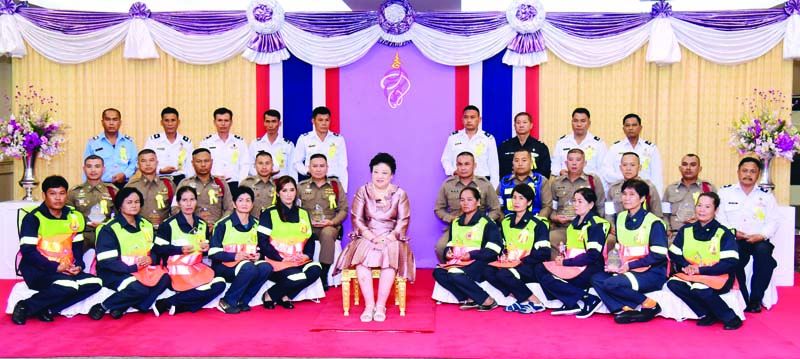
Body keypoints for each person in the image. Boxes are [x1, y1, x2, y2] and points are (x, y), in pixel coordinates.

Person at [335, 153, 416, 322]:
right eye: (376, 172)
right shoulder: (362, 191)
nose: (379, 176)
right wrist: (372, 238)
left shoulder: (400, 194)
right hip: (367, 234)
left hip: (391, 236)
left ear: (392, 175)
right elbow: (356, 218)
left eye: (384, 172)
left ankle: (380, 305)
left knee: (389, 257)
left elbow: (403, 222)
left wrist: (386, 239)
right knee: (362, 260)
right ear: (371, 173)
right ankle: (369, 305)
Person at [12, 176, 103, 325]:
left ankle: (49, 309)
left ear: (66, 195)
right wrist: (55, 267)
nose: (58, 198)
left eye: (61, 193)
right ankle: (24, 307)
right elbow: (28, 252)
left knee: (95, 282)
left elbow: (77, 247)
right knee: (68, 286)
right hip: (38, 270)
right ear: (44, 195)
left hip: (65, 268)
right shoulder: (33, 218)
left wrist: (78, 264)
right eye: (53, 194)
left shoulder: (74, 216)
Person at [591, 179, 669, 324]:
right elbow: (620, 248)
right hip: (628, 269)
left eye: (632, 194)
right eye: (624, 194)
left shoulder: (654, 222)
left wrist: (630, 266)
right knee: (596, 278)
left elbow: (659, 254)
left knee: (610, 284)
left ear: (643, 198)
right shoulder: (619, 218)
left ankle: (650, 305)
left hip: (651, 272)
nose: (626, 198)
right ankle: (624, 308)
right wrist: (615, 264)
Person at [89, 188, 170, 320]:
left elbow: (155, 250)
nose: (134, 205)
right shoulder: (109, 229)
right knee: (140, 289)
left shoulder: (146, 225)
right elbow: (106, 261)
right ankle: (102, 306)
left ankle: (132, 305)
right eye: (129, 202)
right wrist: (133, 268)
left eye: (137, 202)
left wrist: (151, 259)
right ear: (120, 205)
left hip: (141, 268)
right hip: (116, 272)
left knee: (165, 278)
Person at [667, 192, 742, 330]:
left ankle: (731, 317)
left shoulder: (723, 233)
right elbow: (674, 253)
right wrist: (686, 265)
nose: (702, 210)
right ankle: (707, 313)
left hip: (718, 275)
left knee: (699, 288)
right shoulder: (686, 230)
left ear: (716, 210)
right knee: (673, 284)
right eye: (699, 205)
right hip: (693, 273)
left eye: (707, 206)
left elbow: (730, 262)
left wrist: (700, 270)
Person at [152, 186, 226, 316]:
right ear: (179, 203)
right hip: (176, 271)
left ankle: (171, 303)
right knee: (206, 288)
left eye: (192, 199)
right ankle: (174, 303)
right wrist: (179, 249)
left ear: (196, 202)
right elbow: (157, 249)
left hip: (196, 268)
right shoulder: (168, 224)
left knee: (220, 284)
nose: (188, 203)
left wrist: (206, 249)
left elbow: (206, 250)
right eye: (184, 200)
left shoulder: (202, 225)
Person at [536, 188, 609, 318]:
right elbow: (572, 250)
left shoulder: (595, 225)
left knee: (550, 278)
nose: (575, 204)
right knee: (539, 269)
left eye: (580, 201)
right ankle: (573, 301)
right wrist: (563, 257)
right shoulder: (572, 225)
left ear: (591, 204)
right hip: (573, 265)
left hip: (591, 267)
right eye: (574, 201)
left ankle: (588, 299)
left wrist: (566, 262)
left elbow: (592, 256)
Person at [717, 157, 778, 313]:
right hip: (734, 238)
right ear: (738, 172)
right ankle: (743, 297)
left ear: (758, 174)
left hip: (758, 239)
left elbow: (773, 221)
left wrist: (762, 235)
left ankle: (755, 299)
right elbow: (719, 218)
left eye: (753, 171)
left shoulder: (766, 196)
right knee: (734, 259)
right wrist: (733, 232)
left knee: (765, 257)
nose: (748, 174)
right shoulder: (725, 192)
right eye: (745, 170)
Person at [433, 187, 503, 311]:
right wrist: (447, 252)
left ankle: (488, 300)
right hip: (459, 261)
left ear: (478, 202)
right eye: (462, 200)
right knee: (438, 272)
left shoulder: (487, 223)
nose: (465, 203)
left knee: (455, 274)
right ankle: (468, 298)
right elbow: (451, 243)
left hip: (480, 262)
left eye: (469, 200)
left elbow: (494, 250)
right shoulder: (456, 222)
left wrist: (472, 255)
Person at [484, 184, 550, 314]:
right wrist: (501, 256)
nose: (516, 202)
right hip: (509, 263)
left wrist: (521, 261)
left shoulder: (539, 223)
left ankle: (536, 302)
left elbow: (544, 252)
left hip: (529, 265)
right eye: (514, 198)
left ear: (529, 202)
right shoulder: (506, 222)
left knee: (504, 274)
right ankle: (522, 300)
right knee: (487, 271)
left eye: (521, 198)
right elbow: (502, 245)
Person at [258, 176, 322, 310]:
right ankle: (269, 295)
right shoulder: (268, 214)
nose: (288, 194)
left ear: (296, 192)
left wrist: (307, 256)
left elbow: (310, 239)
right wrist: (282, 258)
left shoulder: (303, 213)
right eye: (284, 190)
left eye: (292, 190)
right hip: (278, 261)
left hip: (299, 260)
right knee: (297, 277)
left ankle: (284, 295)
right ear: (278, 193)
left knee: (315, 269)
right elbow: (263, 243)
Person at [209, 187, 272, 314]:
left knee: (266, 267)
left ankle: (243, 300)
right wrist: (235, 256)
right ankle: (227, 301)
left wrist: (258, 256)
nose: (244, 203)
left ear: (252, 204)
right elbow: (213, 253)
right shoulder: (222, 225)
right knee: (249, 267)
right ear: (234, 204)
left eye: (248, 200)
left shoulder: (256, 224)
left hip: (247, 265)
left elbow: (263, 248)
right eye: (241, 200)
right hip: (224, 266)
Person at [434, 152, 502, 263]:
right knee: (441, 247)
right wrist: (451, 219)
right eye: (459, 164)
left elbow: (496, 208)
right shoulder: (447, 184)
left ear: (474, 165)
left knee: (486, 248)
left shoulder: (485, 184)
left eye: (467, 164)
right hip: (457, 228)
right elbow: (438, 209)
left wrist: (484, 222)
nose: (463, 168)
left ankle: (479, 275)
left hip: (480, 228)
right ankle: (450, 271)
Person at [540, 148, 605, 259]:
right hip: (563, 227)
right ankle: (557, 271)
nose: (574, 163)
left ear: (584, 163)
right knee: (550, 238)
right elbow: (552, 209)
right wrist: (556, 218)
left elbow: (600, 206)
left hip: (586, 228)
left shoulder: (593, 180)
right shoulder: (556, 182)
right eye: (570, 160)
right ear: (566, 163)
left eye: (578, 160)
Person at [298, 154, 348, 289]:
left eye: (322, 166)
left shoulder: (335, 185)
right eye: (314, 166)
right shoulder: (301, 186)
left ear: (327, 168)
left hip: (329, 225)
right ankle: (297, 270)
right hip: (307, 225)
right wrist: (306, 222)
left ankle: (323, 273)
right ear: (309, 168)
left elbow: (343, 209)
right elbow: (295, 209)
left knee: (326, 234)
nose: (318, 169)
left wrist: (331, 222)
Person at [603, 114, 664, 195]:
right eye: (627, 125)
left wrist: (657, 197)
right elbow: (607, 173)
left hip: (645, 192)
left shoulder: (651, 148)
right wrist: (626, 178)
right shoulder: (615, 148)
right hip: (621, 192)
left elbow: (657, 177)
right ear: (623, 129)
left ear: (640, 128)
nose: (631, 128)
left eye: (634, 125)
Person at [441, 105, 500, 188]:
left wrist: (493, 189)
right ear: (462, 119)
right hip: (458, 182)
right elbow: (445, 159)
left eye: (472, 117)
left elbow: (494, 166)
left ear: (479, 120)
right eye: (466, 117)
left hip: (481, 182)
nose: (469, 120)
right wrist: (453, 171)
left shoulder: (488, 139)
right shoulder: (453, 138)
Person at [292, 106, 349, 190]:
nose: (324, 123)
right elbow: (296, 162)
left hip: (332, 182)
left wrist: (343, 190)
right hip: (311, 182)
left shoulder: (338, 139)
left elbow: (343, 166)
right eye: (320, 120)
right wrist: (307, 171)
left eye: (327, 120)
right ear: (313, 121)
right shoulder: (304, 139)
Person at [176, 148, 234, 230]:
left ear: (212, 162)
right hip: (192, 229)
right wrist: (190, 223)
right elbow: (175, 208)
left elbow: (229, 208)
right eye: (199, 161)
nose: (203, 164)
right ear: (192, 163)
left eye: (206, 161)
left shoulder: (221, 183)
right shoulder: (184, 183)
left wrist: (218, 225)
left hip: (218, 230)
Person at [67, 155, 117, 248]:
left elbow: (119, 217)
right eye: (89, 166)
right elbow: (68, 217)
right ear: (84, 169)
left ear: (103, 169)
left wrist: (104, 225)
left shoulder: (112, 191)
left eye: (97, 166)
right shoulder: (74, 192)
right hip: (81, 237)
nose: (93, 170)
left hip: (106, 236)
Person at [663, 154, 717, 239]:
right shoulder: (670, 189)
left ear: (700, 169)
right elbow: (664, 214)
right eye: (684, 164)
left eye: (693, 165)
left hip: (701, 235)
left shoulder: (708, 188)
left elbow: (716, 213)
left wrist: (701, 220)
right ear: (680, 168)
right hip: (674, 236)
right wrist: (667, 229)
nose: (688, 168)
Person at [199, 107, 249, 195]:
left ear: (231, 122)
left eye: (226, 120)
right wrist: (210, 178)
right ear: (214, 122)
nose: (223, 124)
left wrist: (241, 185)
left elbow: (245, 165)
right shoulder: (206, 142)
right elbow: (201, 164)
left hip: (235, 184)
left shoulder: (240, 142)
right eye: (220, 120)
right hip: (212, 184)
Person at [605, 152, 663, 227]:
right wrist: (611, 226)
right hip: (619, 228)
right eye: (625, 165)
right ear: (620, 168)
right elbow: (609, 213)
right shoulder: (613, 188)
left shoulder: (649, 187)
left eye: (632, 165)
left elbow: (657, 214)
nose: (628, 168)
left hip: (644, 229)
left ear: (639, 167)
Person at [83, 108, 137, 187]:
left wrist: (125, 174)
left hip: (124, 185)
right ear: (102, 122)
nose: (111, 123)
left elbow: (134, 163)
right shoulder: (93, 143)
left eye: (115, 120)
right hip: (100, 185)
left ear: (120, 122)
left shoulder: (129, 142)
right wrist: (86, 187)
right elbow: (87, 166)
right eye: (108, 119)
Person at [550, 108, 607, 182]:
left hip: (589, 185)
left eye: (583, 121)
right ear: (572, 122)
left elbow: (603, 169)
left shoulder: (598, 144)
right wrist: (560, 172)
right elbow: (554, 165)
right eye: (575, 121)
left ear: (589, 123)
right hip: (566, 184)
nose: (579, 124)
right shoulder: (562, 142)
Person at [144, 107, 194, 184]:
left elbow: (190, 166)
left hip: (180, 180)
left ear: (178, 122)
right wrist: (160, 170)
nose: (170, 124)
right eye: (166, 120)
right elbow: (145, 162)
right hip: (158, 178)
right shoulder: (153, 140)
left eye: (173, 120)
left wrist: (188, 183)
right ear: (161, 122)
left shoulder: (186, 142)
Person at [125, 149, 174, 228]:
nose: (148, 164)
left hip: (164, 230)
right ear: (138, 164)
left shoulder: (168, 184)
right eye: (143, 161)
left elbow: (176, 208)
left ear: (157, 163)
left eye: (151, 160)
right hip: (139, 230)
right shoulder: (131, 186)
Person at [496, 149, 549, 216]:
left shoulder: (541, 181)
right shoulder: (504, 182)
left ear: (531, 162)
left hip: (535, 222)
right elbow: (496, 207)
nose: (520, 164)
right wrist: (505, 222)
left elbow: (547, 207)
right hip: (508, 223)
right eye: (516, 160)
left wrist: (536, 223)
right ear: (512, 163)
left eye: (524, 160)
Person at [499, 111, 551, 179]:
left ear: (531, 125)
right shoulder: (504, 147)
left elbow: (545, 171)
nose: (521, 125)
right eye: (518, 123)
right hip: (510, 184)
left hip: (534, 185)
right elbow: (499, 169)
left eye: (524, 122)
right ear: (514, 126)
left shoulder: (540, 147)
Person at [249, 109, 296, 179]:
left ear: (279, 123)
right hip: (261, 184)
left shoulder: (288, 145)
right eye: (268, 122)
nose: (270, 125)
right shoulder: (255, 144)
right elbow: (249, 166)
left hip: (282, 186)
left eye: (274, 121)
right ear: (264, 123)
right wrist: (264, 174)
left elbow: (292, 170)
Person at [239, 151, 277, 218]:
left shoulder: (277, 184)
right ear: (254, 165)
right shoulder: (246, 183)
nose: (264, 167)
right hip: (250, 226)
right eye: (260, 163)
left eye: (267, 163)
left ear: (272, 165)